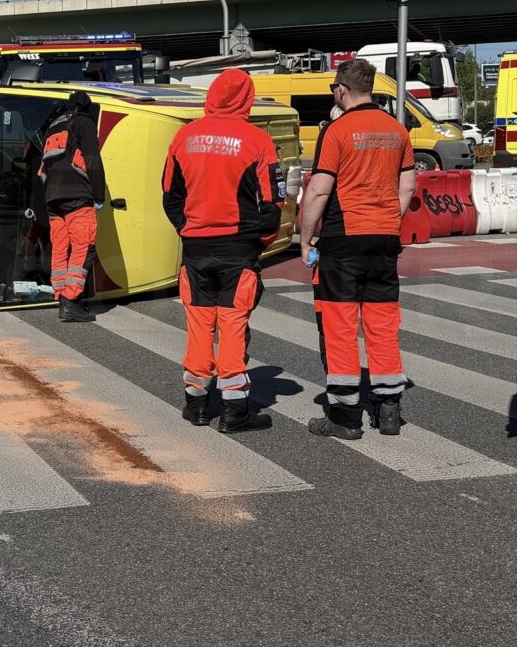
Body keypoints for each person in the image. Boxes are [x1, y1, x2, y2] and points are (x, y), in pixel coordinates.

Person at [298, 58, 417, 439]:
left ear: (341, 90)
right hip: (384, 239)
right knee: (382, 324)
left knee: (341, 326)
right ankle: (388, 411)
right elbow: (408, 187)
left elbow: (319, 189)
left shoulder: (336, 130)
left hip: (343, 238)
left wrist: (304, 238)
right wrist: (388, 220)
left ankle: (345, 418)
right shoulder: (398, 130)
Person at [161, 68, 285, 433]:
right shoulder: (257, 140)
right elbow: (273, 202)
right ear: (247, 98)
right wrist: (259, 241)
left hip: (197, 249)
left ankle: (197, 404)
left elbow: (170, 196)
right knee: (232, 326)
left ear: (211, 94)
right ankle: (235, 411)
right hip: (238, 248)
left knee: (199, 324)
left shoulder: (183, 138)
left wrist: (188, 229)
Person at [38, 90, 106, 322]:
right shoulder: (83, 123)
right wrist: (99, 195)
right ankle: (71, 301)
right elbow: (93, 160)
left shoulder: (53, 127)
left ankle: (61, 297)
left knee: (60, 247)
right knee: (83, 247)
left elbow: (44, 168)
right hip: (77, 195)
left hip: (52, 199)